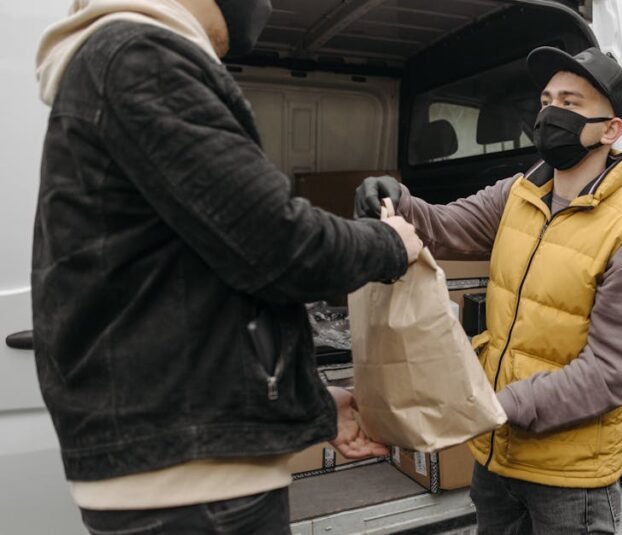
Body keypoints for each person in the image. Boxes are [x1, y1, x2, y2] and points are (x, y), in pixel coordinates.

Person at [33, 0, 420, 533]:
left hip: (187, 467)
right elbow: (279, 246)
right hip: (193, 484)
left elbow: (203, 289)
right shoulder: (142, 57)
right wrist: (390, 242)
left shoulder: (124, 61)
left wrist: (310, 403)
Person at [356, 46, 622, 534]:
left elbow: (608, 374)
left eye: (570, 103)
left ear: (611, 130)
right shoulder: (518, 193)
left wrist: (501, 405)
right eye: (547, 100)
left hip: (571, 481)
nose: (550, 113)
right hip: (496, 462)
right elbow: (446, 225)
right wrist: (398, 199)